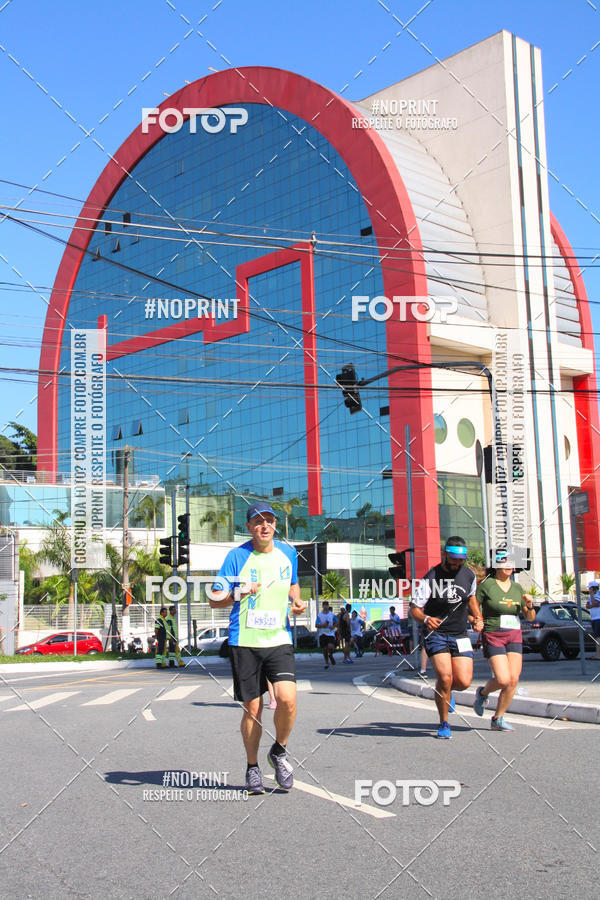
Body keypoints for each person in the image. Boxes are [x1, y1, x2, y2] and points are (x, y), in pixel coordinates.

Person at [209, 502, 306, 794]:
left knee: (287, 699)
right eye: (258, 522)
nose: (265, 526)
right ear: (250, 527)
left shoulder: (288, 553)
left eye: (270, 521)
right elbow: (215, 598)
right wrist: (240, 591)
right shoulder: (236, 557)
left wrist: (297, 602)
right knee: (253, 708)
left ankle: (278, 751)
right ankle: (253, 767)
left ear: (276, 525)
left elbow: (293, 584)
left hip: (278, 638)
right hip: (245, 641)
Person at [410, 536, 483, 739]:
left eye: (461, 560)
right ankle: (444, 723)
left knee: (464, 681)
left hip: (459, 633)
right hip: (437, 634)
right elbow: (414, 610)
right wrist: (425, 620)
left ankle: (447, 692)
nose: (457, 564)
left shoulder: (468, 575)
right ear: (445, 555)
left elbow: (472, 600)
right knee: (444, 678)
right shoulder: (431, 577)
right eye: (454, 560)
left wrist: (478, 617)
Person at [473, 555, 536, 730]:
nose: (508, 566)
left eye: (511, 564)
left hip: (514, 634)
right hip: (494, 634)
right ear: (496, 566)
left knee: (513, 680)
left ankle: (497, 719)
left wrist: (530, 605)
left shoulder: (517, 587)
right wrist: (476, 620)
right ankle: (483, 693)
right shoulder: (487, 585)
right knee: (502, 679)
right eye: (504, 563)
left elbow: (530, 617)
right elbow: (473, 607)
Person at [316, 601, 337, 668]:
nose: (325, 607)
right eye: (324, 605)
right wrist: (322, 625)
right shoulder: (320, 615)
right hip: (322, 633)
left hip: (330, 633)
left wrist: (333, 626)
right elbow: (316, 625)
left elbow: (337, 621)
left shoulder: (331, 614)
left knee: (330, 646)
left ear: (328, 606)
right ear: (322, 606)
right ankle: (326, 662)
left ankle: (330, 654)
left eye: (326, 605)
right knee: (324, 649)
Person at [586, 580, 600, 660]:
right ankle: (597, 654)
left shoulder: (598, 594)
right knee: (596, 637)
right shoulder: (591, 596)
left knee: (598, 637)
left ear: (593, 588)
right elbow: (587, 606)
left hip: (598, 618)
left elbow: (595, 603)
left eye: (590, 589)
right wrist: (592, 604)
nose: (589, 590)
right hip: (594, 619)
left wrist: (592, 595)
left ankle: (598, 655)